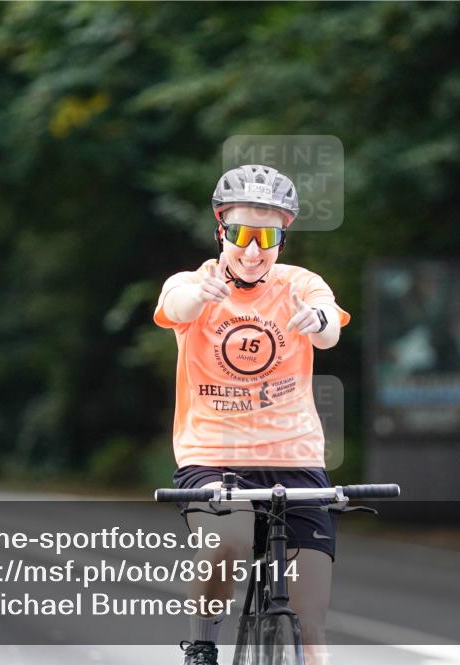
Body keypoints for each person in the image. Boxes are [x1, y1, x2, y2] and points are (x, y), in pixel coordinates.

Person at [153, 164, 350, 665]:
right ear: (222, 230)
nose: (253, 248)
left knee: (311, 620)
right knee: (229, 542)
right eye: (241, 233)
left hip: (296, 458)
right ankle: (202, 643)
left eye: (268, 235)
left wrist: (320, 320)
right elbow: (175, 306)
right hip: (214, 457)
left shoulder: (300, 285)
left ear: (283, 237)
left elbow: (329, 328)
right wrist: (200, 297)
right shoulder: (193, 283)